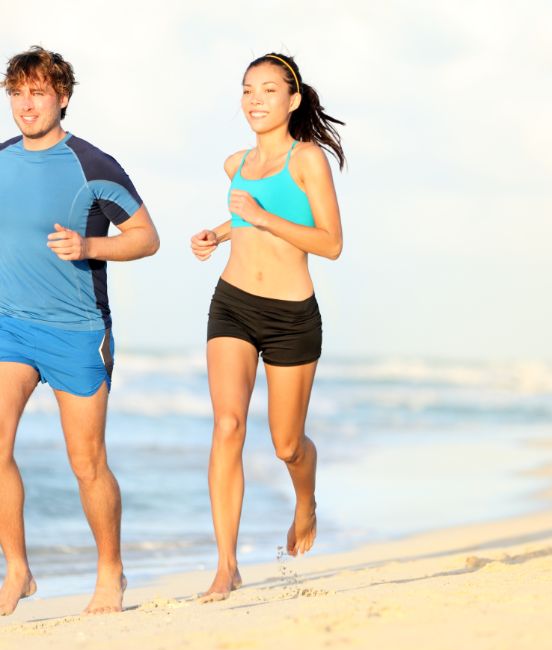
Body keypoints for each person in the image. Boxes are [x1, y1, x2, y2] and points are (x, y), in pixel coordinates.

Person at [0, 46, 159, 615]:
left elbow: (146, 236)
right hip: (9, 330)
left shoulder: (92, 164)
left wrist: (90, 245)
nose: (26, 104)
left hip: (77, 331)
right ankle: (17, 569)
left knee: (86, 462)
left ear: (63, 97)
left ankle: (110, 573)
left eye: (38, 92)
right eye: (16, 93)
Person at [191, 52, 344, 602]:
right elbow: (247, 220)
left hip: (290, 316)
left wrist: (257, 217)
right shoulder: (236, 163)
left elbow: (329, 242)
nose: (255, 99)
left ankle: (306, 502)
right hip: (232, 304)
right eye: (247, 90)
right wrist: (217, 233)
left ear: (293, 100)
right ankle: (226, 565)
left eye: (268, 90)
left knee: (285, 446)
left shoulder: (308, 160)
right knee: (228, 426)